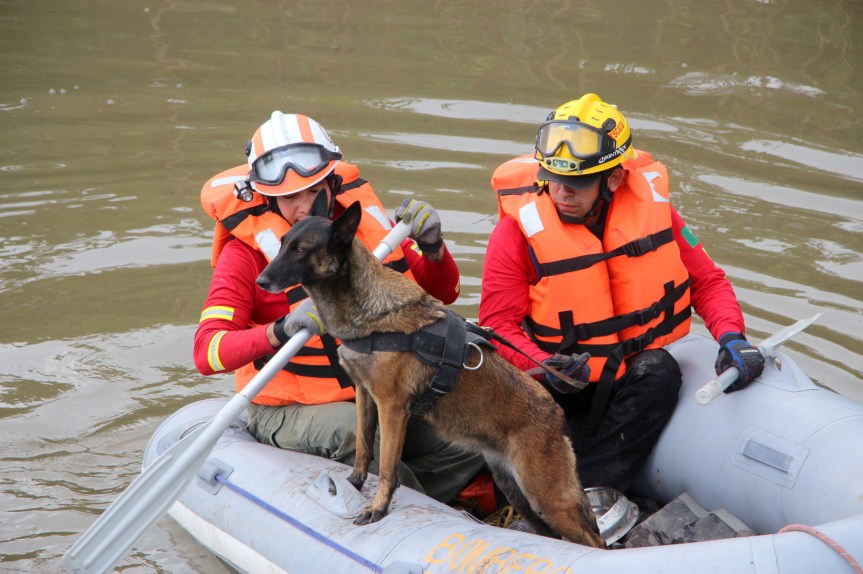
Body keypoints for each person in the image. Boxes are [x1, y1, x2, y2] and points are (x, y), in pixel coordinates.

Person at [479, 93, 764, 493]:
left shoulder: (656, 213)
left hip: (624, 377)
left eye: (577, 183)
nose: (562, 193)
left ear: (613, 178)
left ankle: (588, 492)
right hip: (554, 384)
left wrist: (732, 336)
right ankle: (553, 490)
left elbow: (708, 281)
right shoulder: (515, 233)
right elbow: (497, 324)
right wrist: (546, 365)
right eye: (555, 180)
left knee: (660, 370)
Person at [194, 111, 484, 503]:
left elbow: (442, 291)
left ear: (332, 182)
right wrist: (279, 330)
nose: (303, 207)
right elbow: (207, 352)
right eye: (289, 197)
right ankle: (420, 520)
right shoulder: (243, 254)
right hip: (290, 407)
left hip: (378, 390)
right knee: (356, 432)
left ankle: (448, 507)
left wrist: (433, 247)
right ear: (266, 196)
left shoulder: (363, 227)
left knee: (469, 440)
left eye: (313, 191)